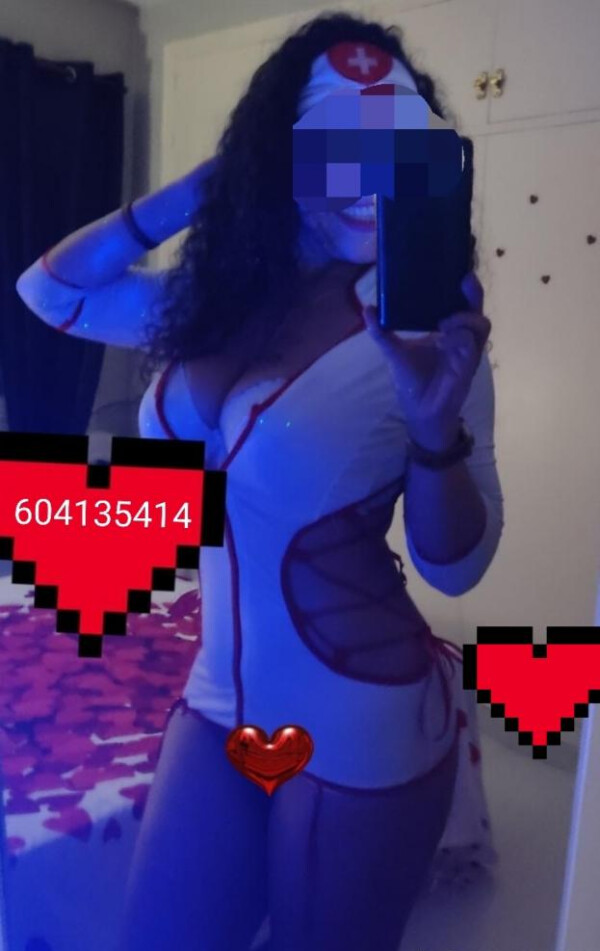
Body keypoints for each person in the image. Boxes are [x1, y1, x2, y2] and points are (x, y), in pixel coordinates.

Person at [15, 12, 504, 950]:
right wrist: (202, 189)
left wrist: (435, 433)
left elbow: (458, 567)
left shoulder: (429, 334)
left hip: (363, 711)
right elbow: (50, 294)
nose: (365, 177)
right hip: (218, 699)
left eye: (393, 148)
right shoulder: (216, 302)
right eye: (337, 148)